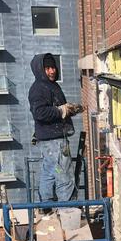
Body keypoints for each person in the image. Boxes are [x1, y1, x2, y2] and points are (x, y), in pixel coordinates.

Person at [28, 53, 83, 210]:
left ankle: (46, 206)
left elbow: (53, 109)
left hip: (51, 142)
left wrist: (70, 110)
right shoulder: (39, 88)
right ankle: (67, 210)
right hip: (54, 143)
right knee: (63, 174)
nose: (52, 71)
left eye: (53, 67)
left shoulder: (50, 86)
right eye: (47, 68)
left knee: (50, 171)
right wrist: (61, 111)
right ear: (40, 70)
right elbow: (39, 113)